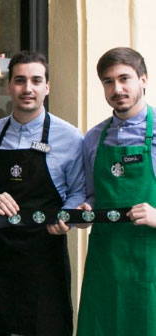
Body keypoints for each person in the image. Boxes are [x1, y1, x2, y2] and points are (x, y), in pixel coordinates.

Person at [0, 51, 85, 336]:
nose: (28, 88)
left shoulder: (70, 136)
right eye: (20, 80)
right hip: (0, 255)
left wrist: (68, 218)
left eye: (36, 81)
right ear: (9, 86)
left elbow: (78, 192)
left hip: (45, 257)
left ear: (47, 87)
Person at [77, 47, 156, 335]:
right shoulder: (94, 138)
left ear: (144, 79)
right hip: (105, 263)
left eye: (125, 78)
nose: (117, 88)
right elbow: (90, 195)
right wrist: (83, 210)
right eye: (108, 81)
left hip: (150, 264)